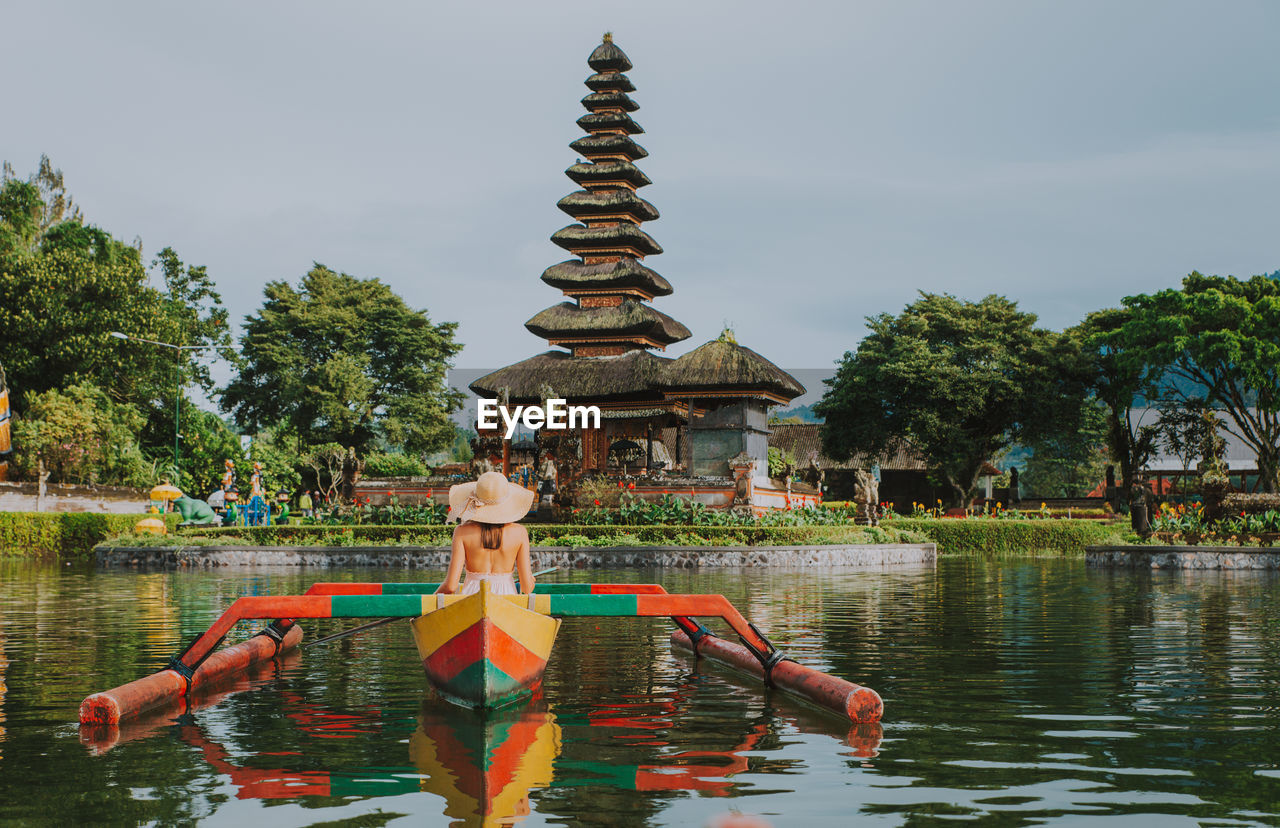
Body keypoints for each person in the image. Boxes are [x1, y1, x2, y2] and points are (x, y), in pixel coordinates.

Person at [436, 470, 536, 597]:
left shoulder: (461, 532)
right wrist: (531, 580)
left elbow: (450, 586)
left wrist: (432, 600)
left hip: (471, 600)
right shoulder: (520, 533)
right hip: (507, 601)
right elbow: (527, 588)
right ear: (506, 503)